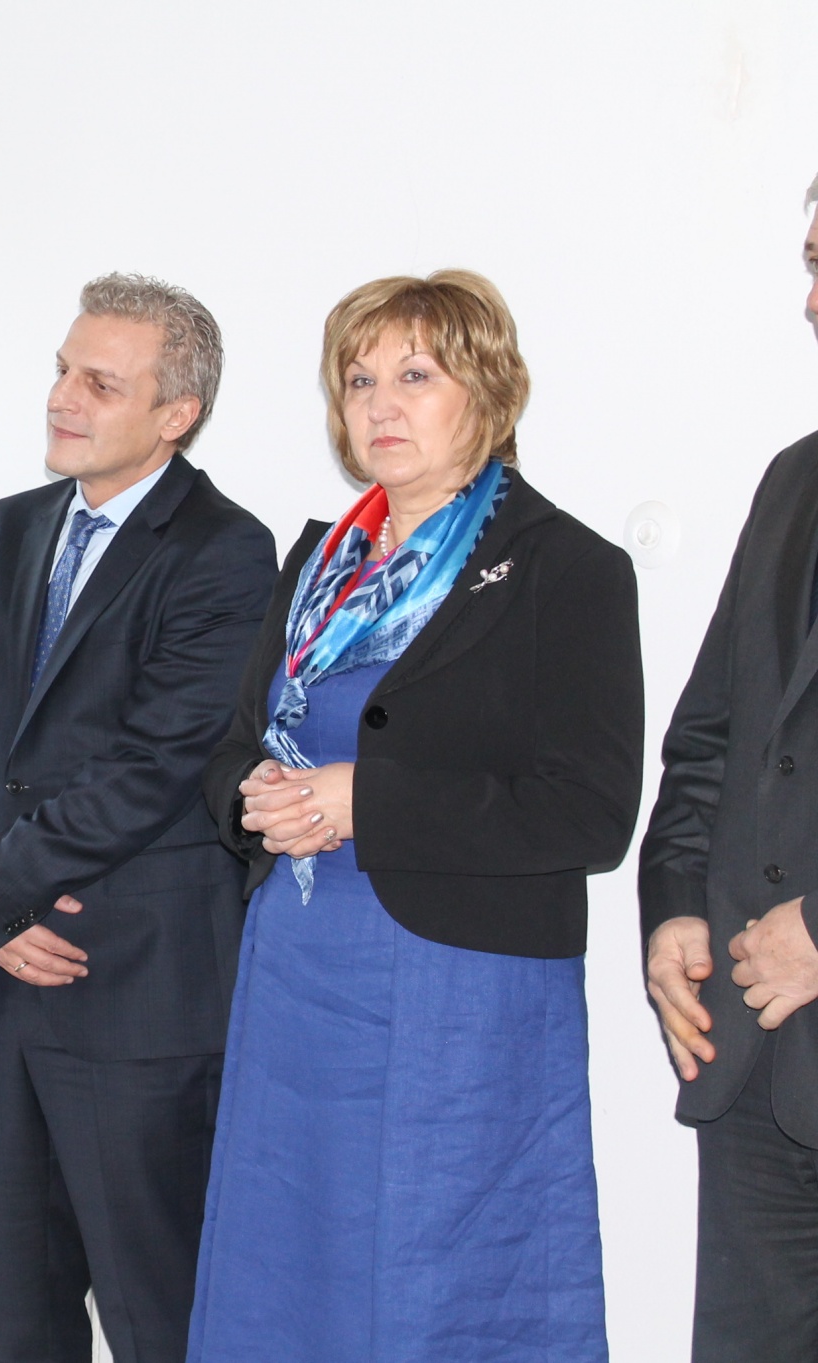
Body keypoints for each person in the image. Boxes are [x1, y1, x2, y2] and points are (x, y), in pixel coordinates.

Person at [191, 271, 643, 1360]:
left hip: (462, 991)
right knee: (284, 1262)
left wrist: (365, 800)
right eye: (358, 380)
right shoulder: (316, 563)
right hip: (299, 972)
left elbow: (589, 811)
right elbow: (233, 746)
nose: (379, 404)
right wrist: (256, 795)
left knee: (443, 1280)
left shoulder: (563, 566)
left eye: (414, 376)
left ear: (485, 391)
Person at [0, 273, 276, 1360]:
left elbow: (153, 767)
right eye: (62, 369)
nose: (62, 397)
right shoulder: (7, 530)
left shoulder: (224, 548)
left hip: (132, 992)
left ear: (176, 414)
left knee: (154, 1318)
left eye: (99, 383)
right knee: (15, 1322)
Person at [640, 179, 818, 1362]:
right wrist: (671, 913)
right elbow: (707, 738)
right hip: (752, 1067)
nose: (809, 299)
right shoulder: (792, 479)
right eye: (810, 263)